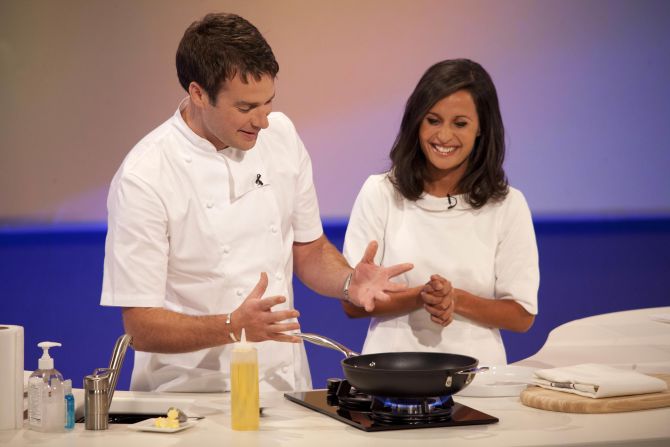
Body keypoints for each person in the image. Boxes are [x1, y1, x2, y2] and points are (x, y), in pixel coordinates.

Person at [100, 12, 412, 393]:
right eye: (246, 108)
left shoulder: (281, 135)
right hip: (189, 398)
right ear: (198, 94)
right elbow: (141, 325)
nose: (262, 122)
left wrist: (348, 281)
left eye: (268, 103)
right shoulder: (145, 176)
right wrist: (232, 326)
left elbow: (309, 249)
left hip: (283, 386)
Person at [342, 59, 539, 366]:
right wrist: (423, 296)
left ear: (481, 131)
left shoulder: (508, 205)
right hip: (391, 377)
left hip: (480, 381)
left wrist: (455, 299)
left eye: (460, 124)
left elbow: (522, 315)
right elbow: (353, 304)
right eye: (433, 120)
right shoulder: (379, 192)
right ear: (416, 122)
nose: (444, 136)